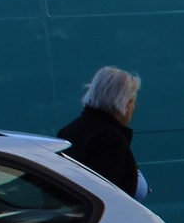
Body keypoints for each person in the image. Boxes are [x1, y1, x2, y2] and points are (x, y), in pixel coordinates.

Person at [57, 67, 143, 197]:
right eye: (133, 102)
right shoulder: (111, 141)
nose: (134, 108)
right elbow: (104, 196)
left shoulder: (68, 131)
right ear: (124, 103)